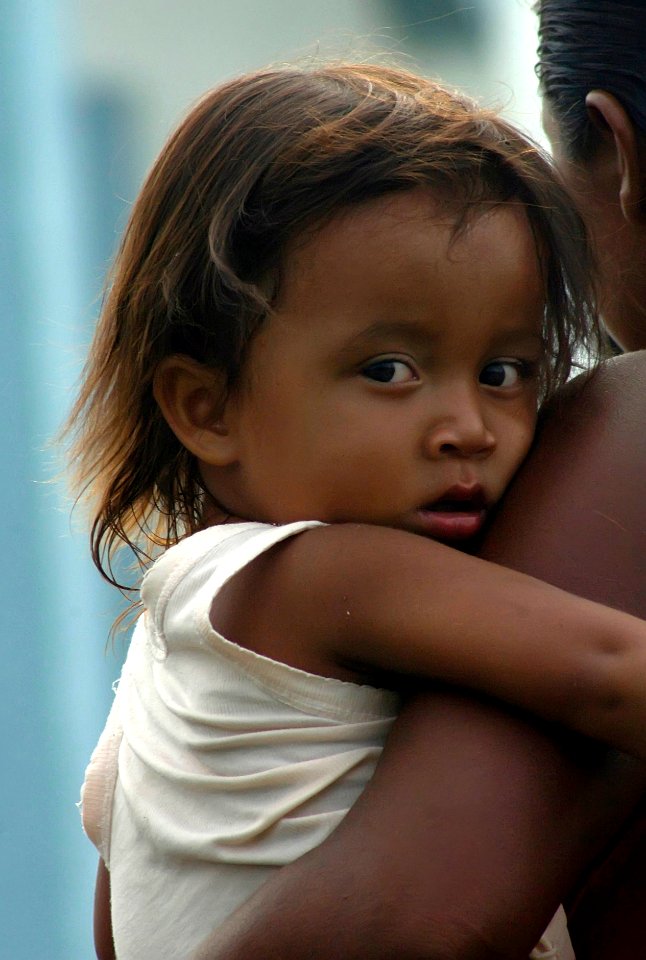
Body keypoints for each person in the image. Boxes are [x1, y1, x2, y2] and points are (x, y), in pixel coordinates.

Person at [73, 63, 646, 960]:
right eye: (388, 371)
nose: (468, 429)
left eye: (506, 374)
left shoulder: (153, 687)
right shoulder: (320, 572)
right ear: (206, 407)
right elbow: (609, 670)